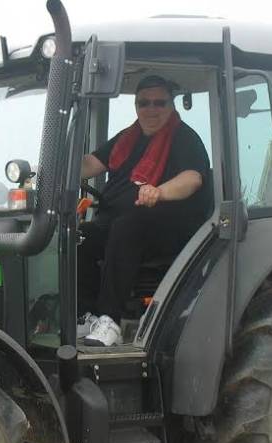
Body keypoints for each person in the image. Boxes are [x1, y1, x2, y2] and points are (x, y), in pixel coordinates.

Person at [77, 75, 211, 347]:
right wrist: (57, 166)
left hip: (167, 230)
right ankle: (87, 315)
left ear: (171, 105)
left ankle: (110, 321)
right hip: (117, 221)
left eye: (159, 103)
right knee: (80, 235)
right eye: (144, 103)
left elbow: (192, 178)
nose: (151, 109)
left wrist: (159, 192)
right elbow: (91, 164)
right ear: (136, 106)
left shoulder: (184, 138)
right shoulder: (127, 139)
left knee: (126, 227)